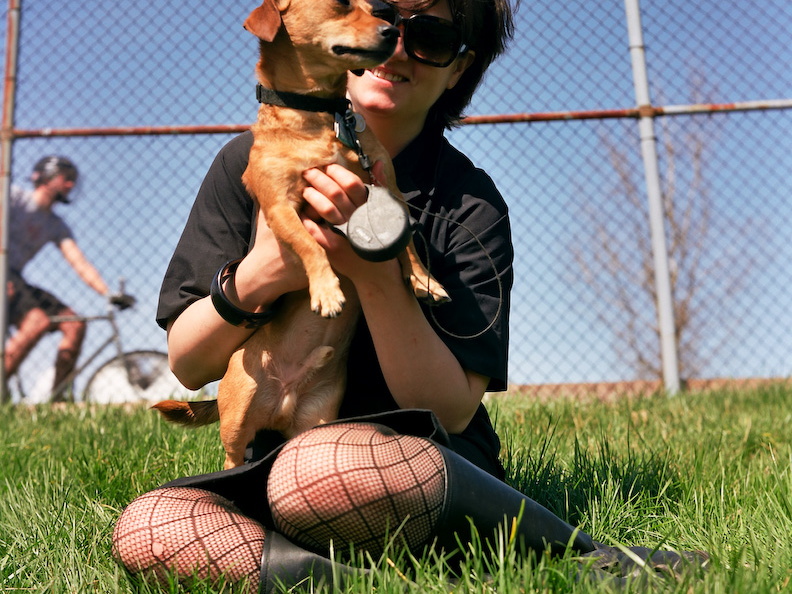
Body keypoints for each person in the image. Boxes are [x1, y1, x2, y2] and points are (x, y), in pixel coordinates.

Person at [111, 0, 706, 590]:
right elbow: (190, 364)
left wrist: (373, 273)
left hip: (411, 464)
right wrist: (263, 274)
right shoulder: (249, 161)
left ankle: (576, 556)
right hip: (275, 459)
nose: (392, 43)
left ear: (459, 71)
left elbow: (450, 410)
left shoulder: (469, 204)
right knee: (149, 527)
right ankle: (346, 579)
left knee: (315, 471)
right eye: (380, 16)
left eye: (430, 38)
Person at [4, 156, 112, 402]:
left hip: (15, 277)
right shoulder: (13, 198)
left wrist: (108, 293)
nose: (71, 185)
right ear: (47, 177)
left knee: (75, 323)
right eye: (67, 179)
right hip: (3, 272)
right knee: (37, 322)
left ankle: (58, 398)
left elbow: (79, 262)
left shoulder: (55, 225)